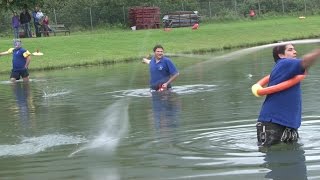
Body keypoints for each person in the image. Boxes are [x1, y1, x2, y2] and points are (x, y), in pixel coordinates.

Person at [256, 44, 320, 147]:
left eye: (294, 49)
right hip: (273, 123)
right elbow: (306, 61)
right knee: (274, 158)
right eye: (290, 50)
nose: (295, 52)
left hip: (288, 124)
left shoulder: (287, 68)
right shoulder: (284, 63)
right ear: (281, 55)